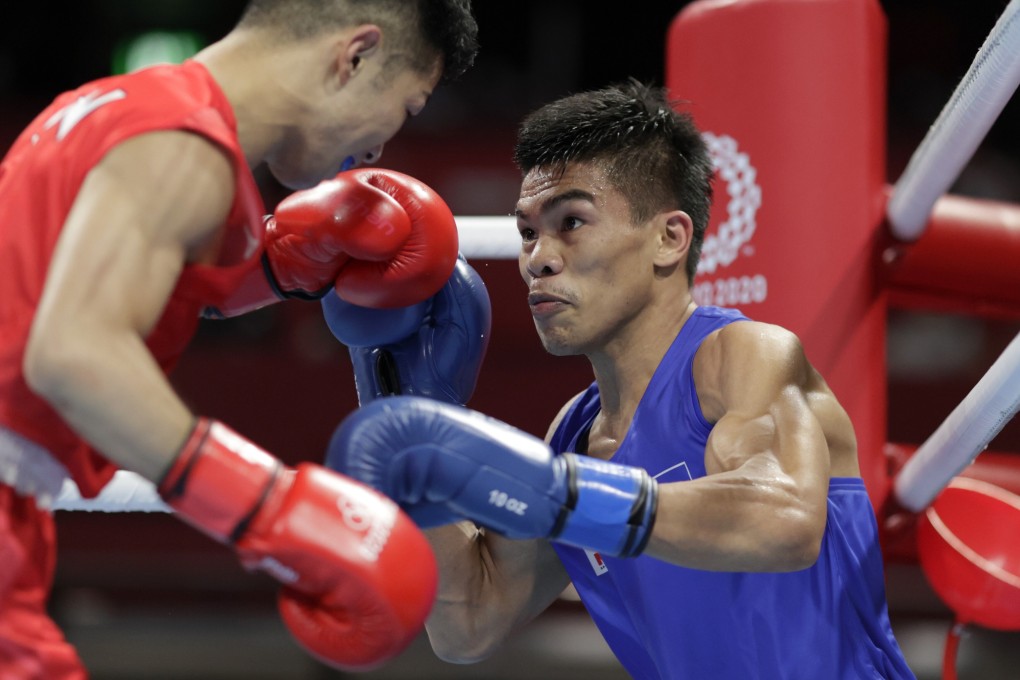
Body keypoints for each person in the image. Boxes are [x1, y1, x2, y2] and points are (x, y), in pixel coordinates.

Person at [325, 80, 918, 679]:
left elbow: (785, 520)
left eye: (572, 222)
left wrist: (562, 495)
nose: (537, 258)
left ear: (669, 238)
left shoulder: (741, 357)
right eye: (529, 231)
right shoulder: (575, 439)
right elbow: (468, 623)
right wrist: (401, 405)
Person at [0, 0, 479, 677]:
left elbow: (103, 294)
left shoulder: (110, 109)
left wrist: (285, 264)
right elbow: (74, 353)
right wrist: (267, 504)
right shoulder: (179, 142)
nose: (378, 148)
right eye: (408, 105)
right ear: (356, 56)